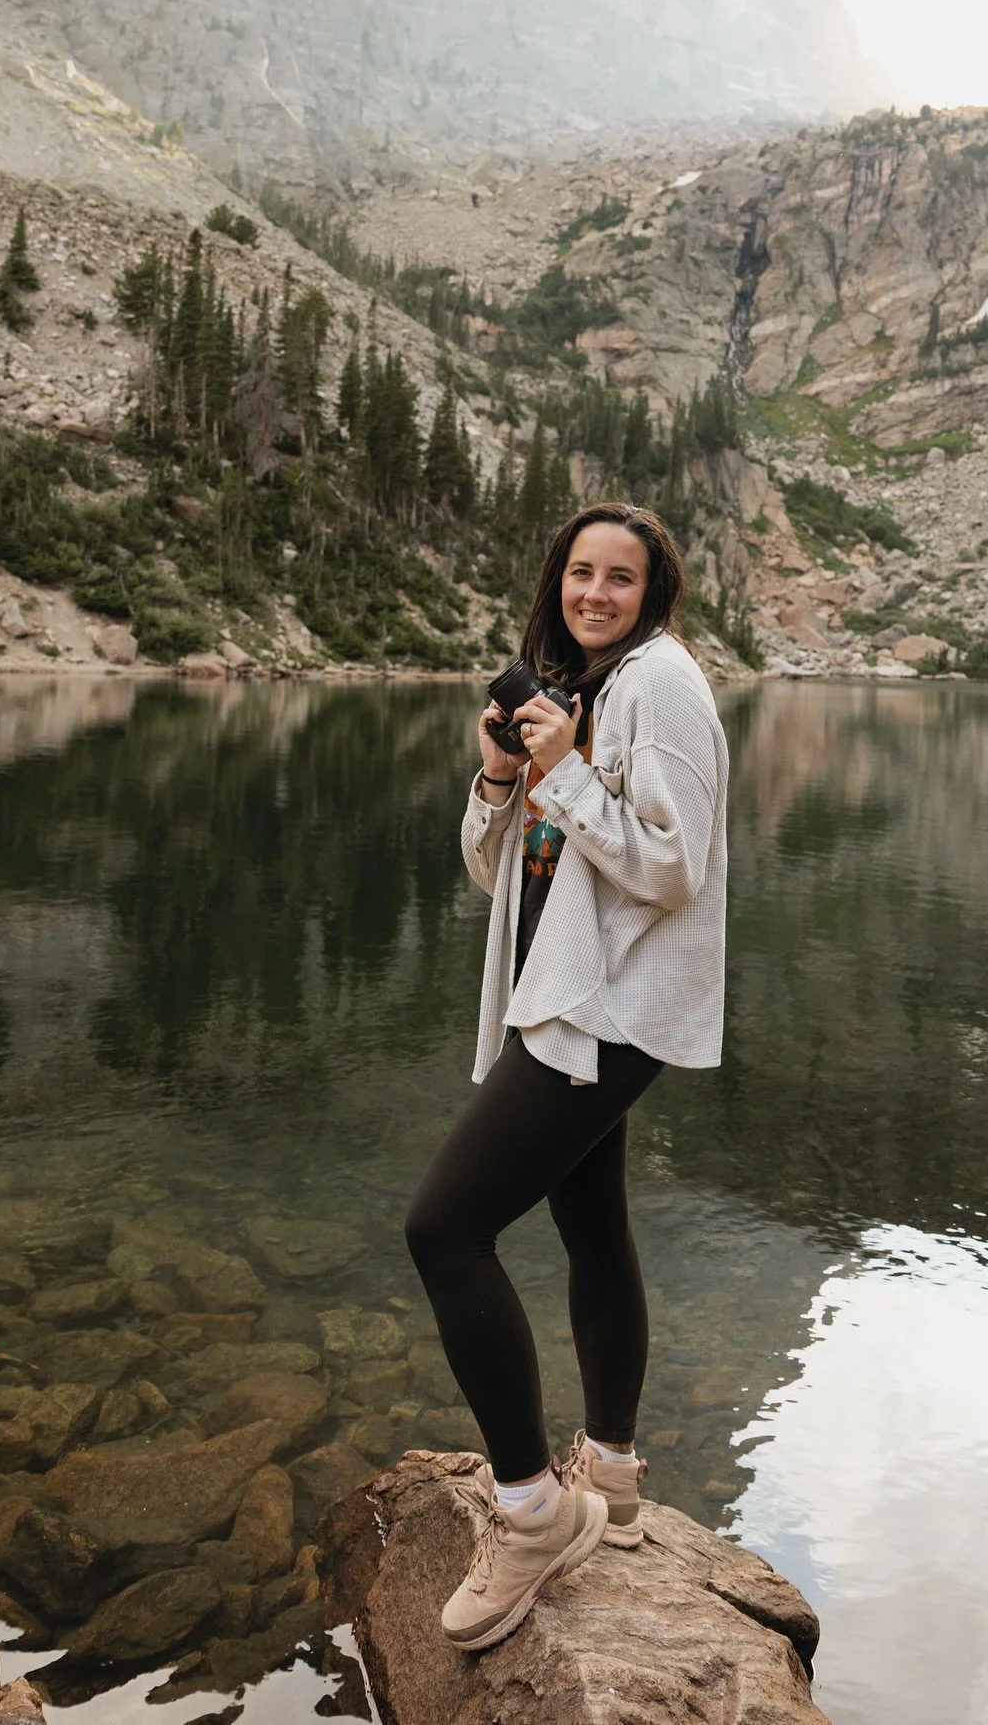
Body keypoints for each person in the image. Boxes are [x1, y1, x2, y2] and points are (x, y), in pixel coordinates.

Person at [404, 500, 729, 1652]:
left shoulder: (659, 685)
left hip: (611, 1006)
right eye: (580, 572)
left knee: (444, 1226)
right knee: (594, 1222)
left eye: (620, 578)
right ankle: (617, 1476)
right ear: (557, 581)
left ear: (655, 591)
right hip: (566, 992)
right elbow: (504, 872)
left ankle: (535, 1509)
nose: (595, 592)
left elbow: (677, 866)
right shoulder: (571, 684)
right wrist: (503, 776)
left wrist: (568, 769)